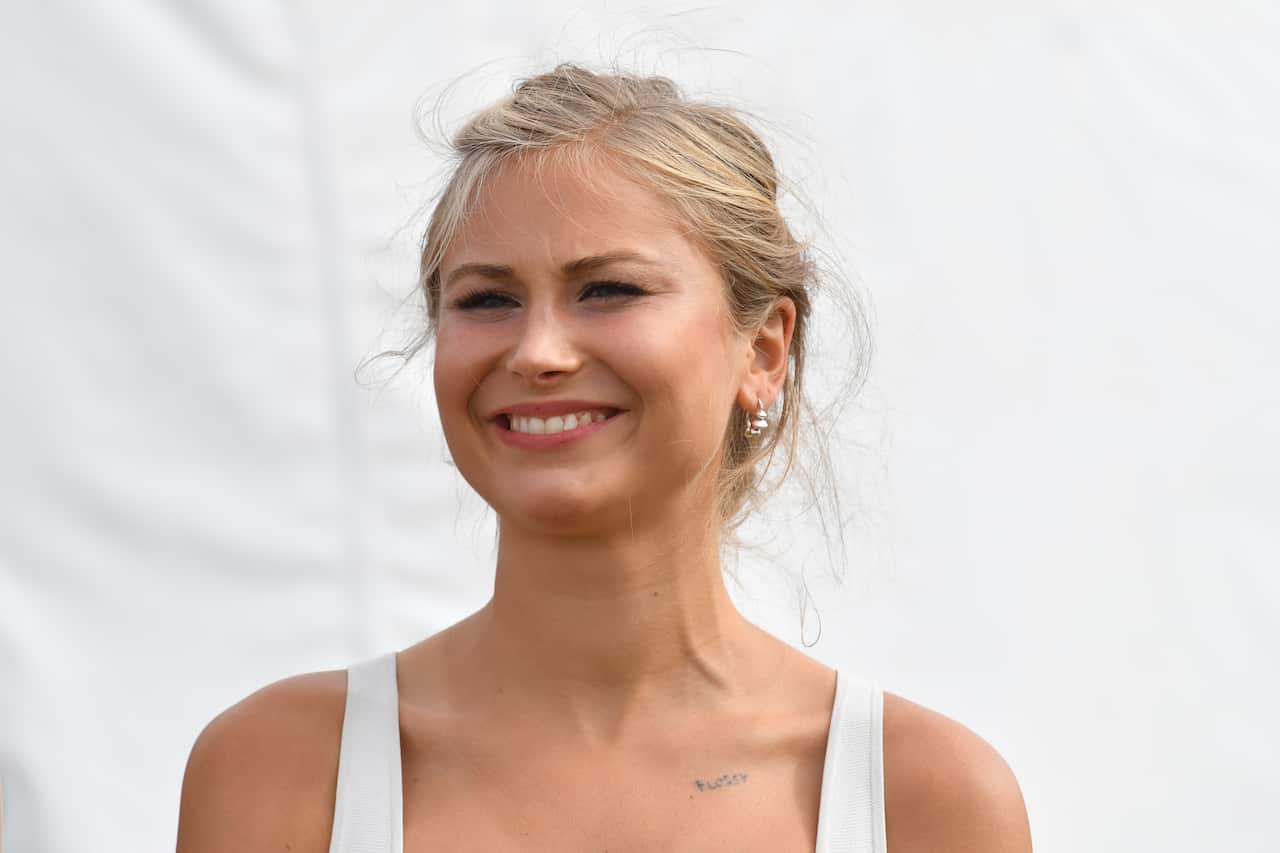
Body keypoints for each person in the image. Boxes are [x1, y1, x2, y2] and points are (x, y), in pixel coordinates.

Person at [176, 64, 1032, 853]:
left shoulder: (924, 800)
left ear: (764, 350)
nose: (537, 352)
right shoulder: (283, 773)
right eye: (488, 299)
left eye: (609, 290)